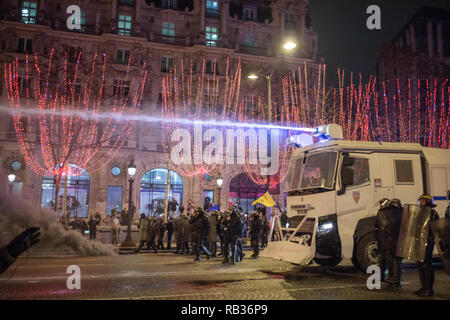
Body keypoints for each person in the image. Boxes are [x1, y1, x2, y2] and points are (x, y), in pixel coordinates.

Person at [414, 193, 440, 297]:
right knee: (419, 264)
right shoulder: (419, 212)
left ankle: (429, 289)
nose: (421, 203)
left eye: (423, 201)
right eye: (420, 201)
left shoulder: (433, 213)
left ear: (428, 202)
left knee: (426, 265)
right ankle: (423, 287)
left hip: (428, 241)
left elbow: (435, 228)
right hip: (419, 241)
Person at [375, 198, 403, 288]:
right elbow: (377, 226)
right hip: (385, 240)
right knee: (386, 260)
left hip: (392, 240)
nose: (380, 206)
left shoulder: (396, 213)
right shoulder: (381, 213)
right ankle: (388, 278)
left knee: (394, 261)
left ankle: (394, 279)